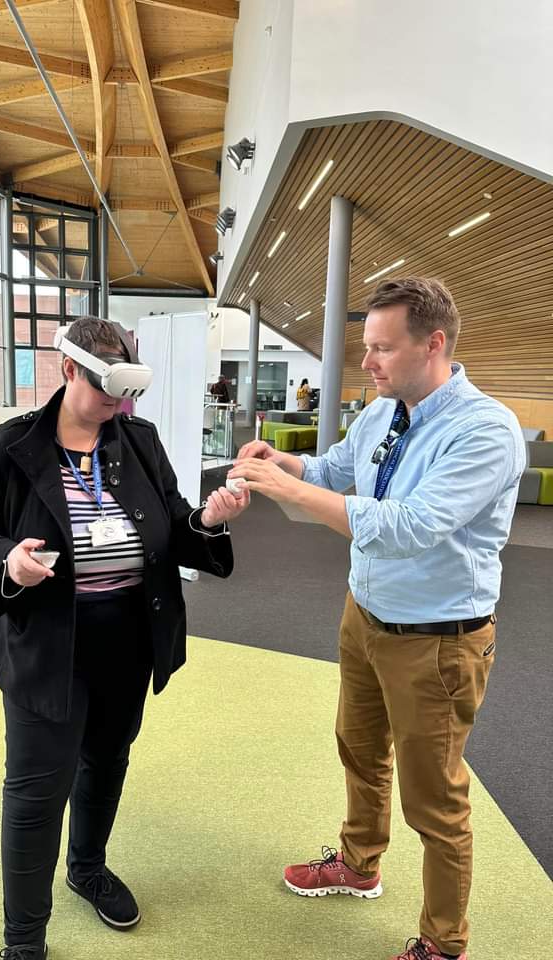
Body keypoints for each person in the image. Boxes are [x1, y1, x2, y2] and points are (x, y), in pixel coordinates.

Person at [229, 278, 525, 960]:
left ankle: (444, 944)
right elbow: (335, 467)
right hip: (365, 617)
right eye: (367, 347)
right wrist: (286, 461)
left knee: (436, 801)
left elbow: (411, 526)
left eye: (383, 349)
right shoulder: (384, 409)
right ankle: (359, 865)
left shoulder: (485, 430)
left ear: (435, 344)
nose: (369, 362)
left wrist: (290, 490)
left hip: (437, 642)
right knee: (359, 751)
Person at [0, 316, 249, 960]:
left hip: (127, 640)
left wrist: (209, 520)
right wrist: (10, 562)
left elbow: (174, 525)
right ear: (66, 370)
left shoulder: (137, 441)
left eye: (127, 391)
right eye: (105, 388)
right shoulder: (16, 443)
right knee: (36, 791)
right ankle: (24, 942)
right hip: (48, 646)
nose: (117, 404)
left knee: (106, 762)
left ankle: (87, 867)